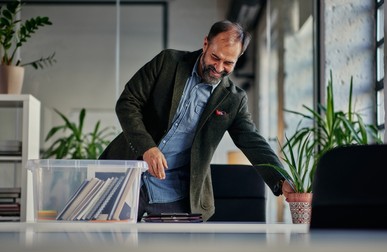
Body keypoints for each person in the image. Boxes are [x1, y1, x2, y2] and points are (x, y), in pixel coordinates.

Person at [99, 20, 294, 221]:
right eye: (215, 57)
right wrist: (147, 147)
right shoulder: (168, 62)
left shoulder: (234, 99)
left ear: (238, 58)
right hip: (124, 178)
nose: (218, 68)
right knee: (107, 247)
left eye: (228, 63)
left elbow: (253, 141)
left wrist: (282, 179)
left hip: (174, 193)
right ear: (205, 44)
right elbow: (127, 102)